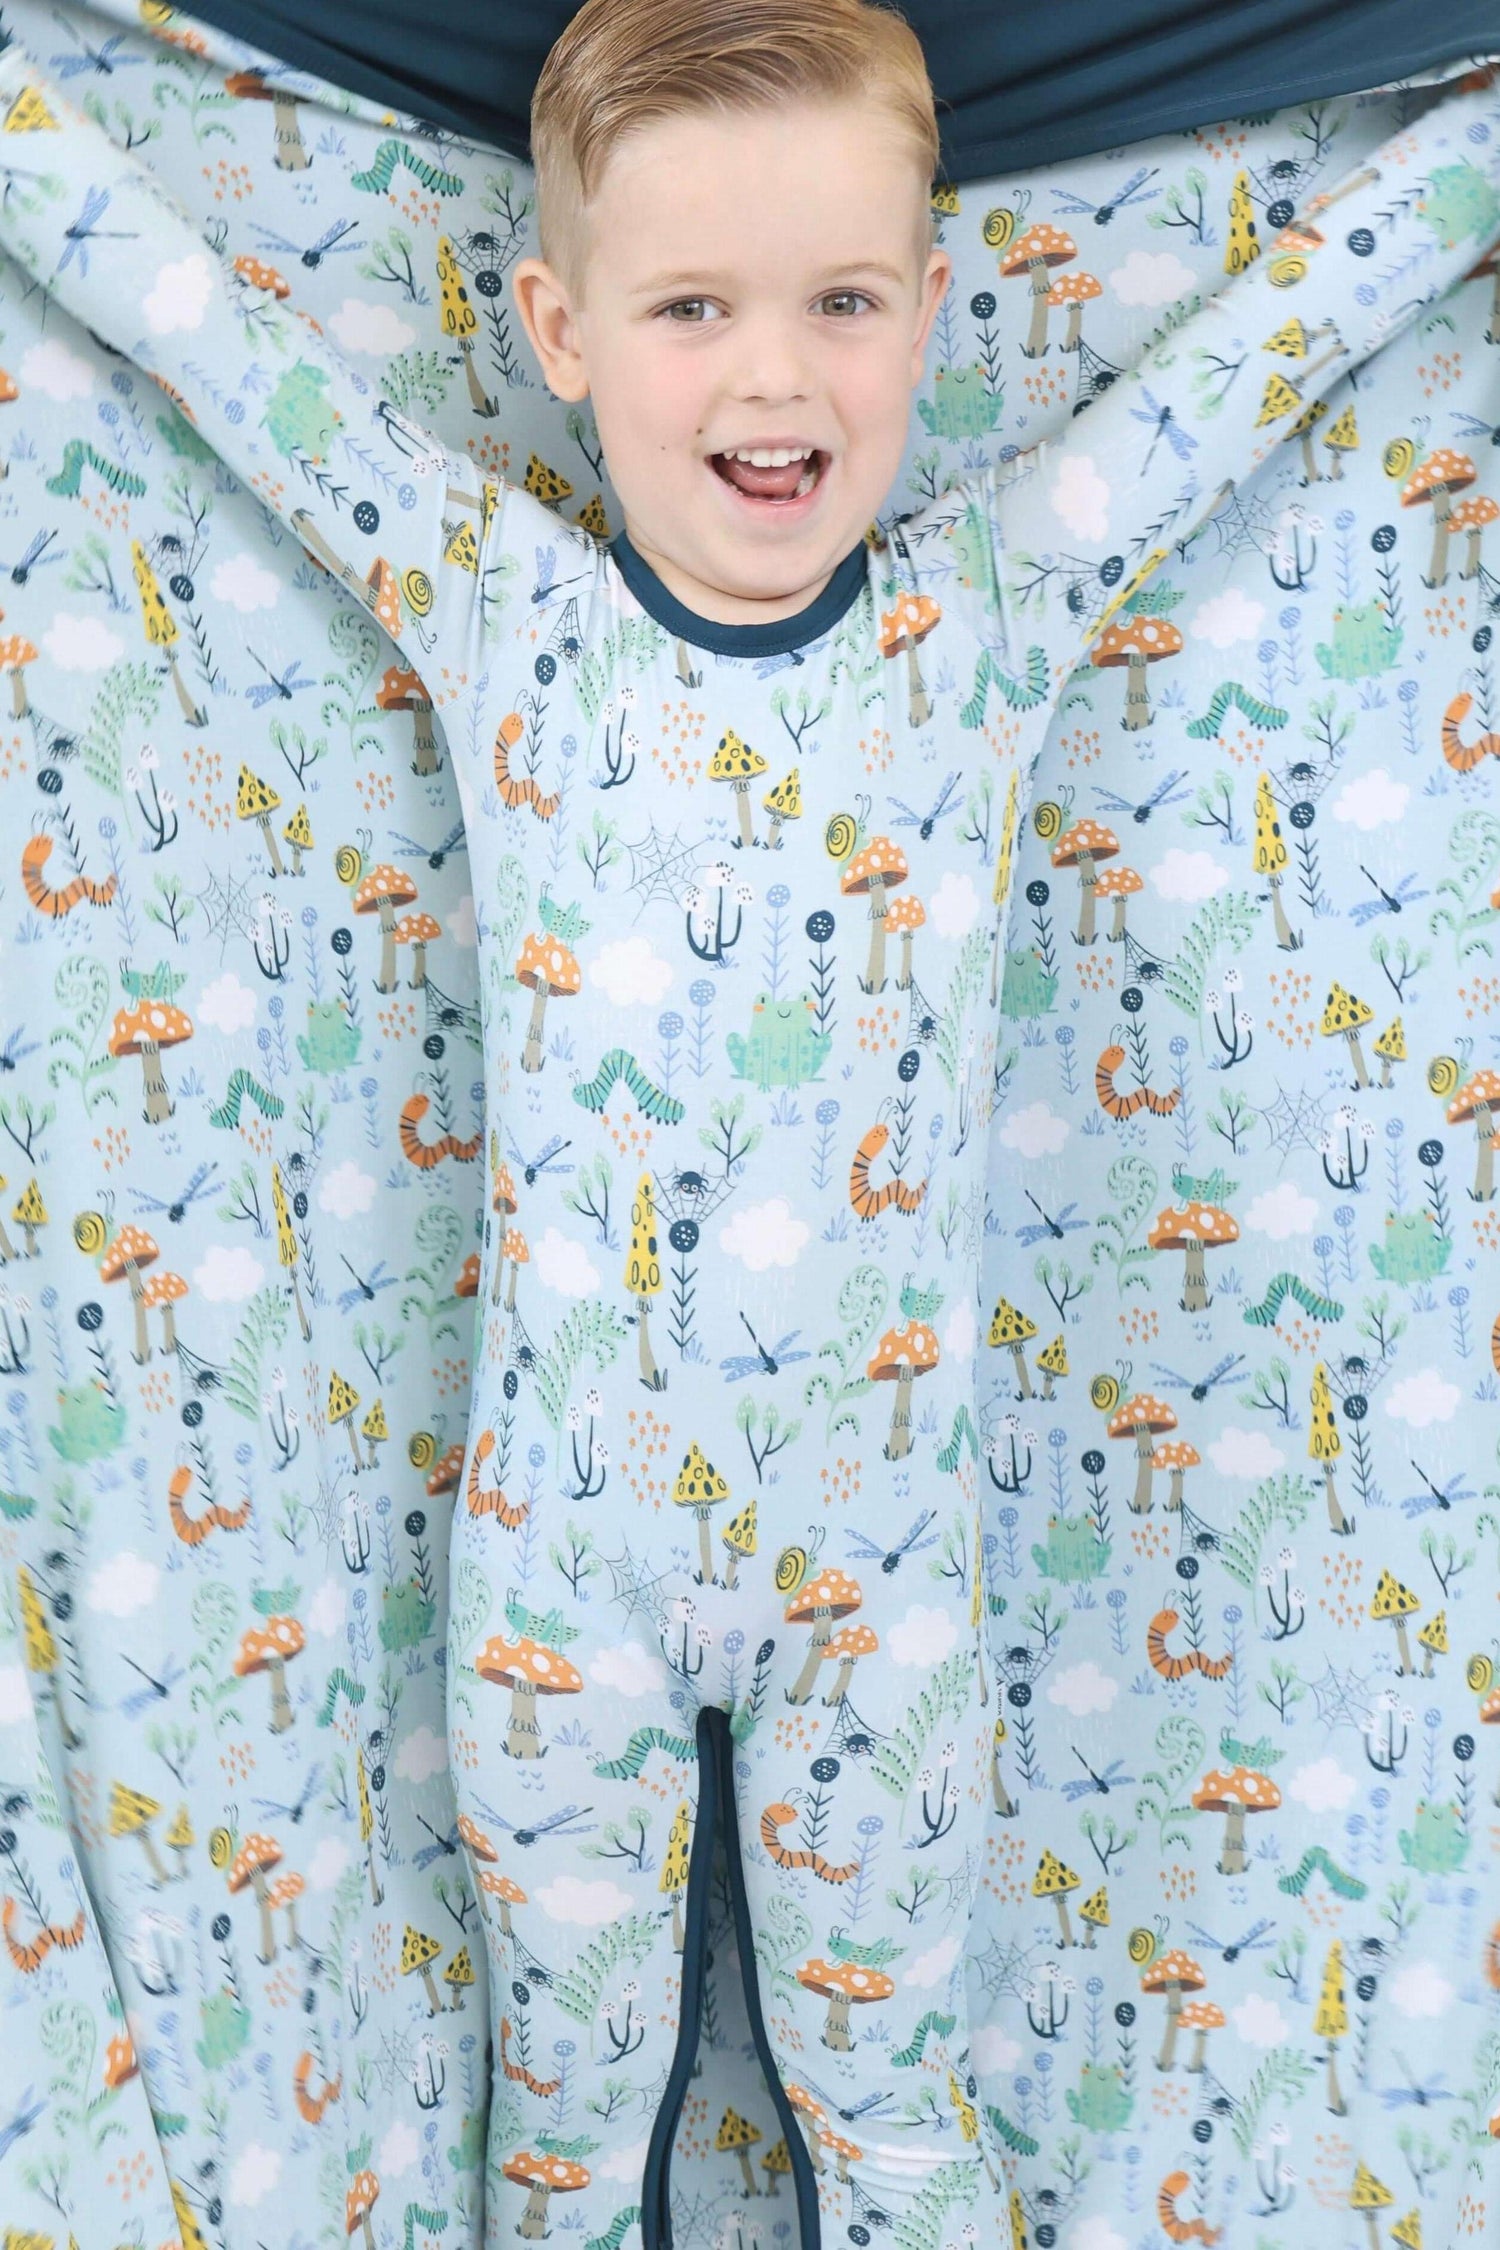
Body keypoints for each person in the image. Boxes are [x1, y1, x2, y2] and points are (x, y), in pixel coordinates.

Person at [1, 3, 1499, 2244]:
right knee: (564, 2138)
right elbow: (208, 338)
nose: (775, 379)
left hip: (876, 1595)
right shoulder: (497, 604)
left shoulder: (985, 619)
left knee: (895, 2122)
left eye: (843, 303)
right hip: (561, 1594)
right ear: (560, 333)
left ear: (933, 306)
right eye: (693, 308)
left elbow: (1249, 364)